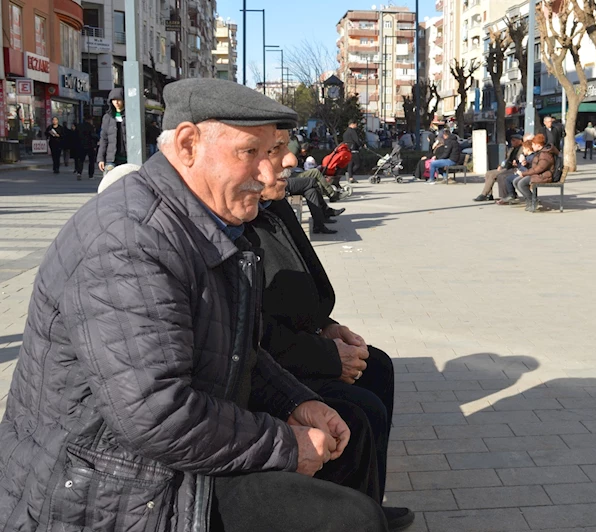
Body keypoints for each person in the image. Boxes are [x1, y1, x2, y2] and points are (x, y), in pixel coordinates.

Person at [0, 78, 391, 532]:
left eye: (278, 150)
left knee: (346, 459)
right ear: (187, 145)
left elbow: (237, 347)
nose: (273, 173)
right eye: (254, 152)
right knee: (348, 519)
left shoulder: (205, 222)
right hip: (107, 487)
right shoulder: (130, 239)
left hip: (155, 460)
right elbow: (155, 413)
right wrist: (286, 445)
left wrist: (298, 402)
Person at [251, 130, 414, 532]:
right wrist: (325, 356)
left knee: (377, 366)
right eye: (276, 151)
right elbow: (253, 334)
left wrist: (330, 327)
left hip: (296, 346)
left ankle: (368, 505)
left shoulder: (274, 207)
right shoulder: (232, 224)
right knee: (358, 413)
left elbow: (308, 288)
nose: (291, 161)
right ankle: (352, 512)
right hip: (273, 366)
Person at [513, 134, 559, 212]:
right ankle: (529, 200)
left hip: (544, 176)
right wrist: (527, 164)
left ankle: (533, 201)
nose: (532, 146)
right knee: (516, 181)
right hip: (539, 174)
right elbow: (536, 166)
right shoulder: (541, 152)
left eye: (533, 144)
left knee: (521, 183)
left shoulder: (545, 154)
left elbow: (539, 169)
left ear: (538, 145)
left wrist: (524, 173)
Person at [473, 134, 523, 201]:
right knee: (488, 173)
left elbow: (521, 160)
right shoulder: (512, 149)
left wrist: (516, 162)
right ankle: (489, 194)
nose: (512, 142)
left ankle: (484, 194)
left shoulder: (521, 149)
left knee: (494, 175)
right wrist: (501, 165)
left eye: (514, 140)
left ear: (520, 141)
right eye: (511, 140)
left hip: (514, 168)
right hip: (507, 167)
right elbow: (506, 159)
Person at [98, 87, 127, 175]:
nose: (116, 103)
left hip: (128, 158)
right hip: (111, 159)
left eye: (119, 100)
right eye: (114, 100)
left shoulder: (130, 114)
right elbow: (103, 139)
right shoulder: (107, 117)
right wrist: (101, 158)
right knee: (110, 185)